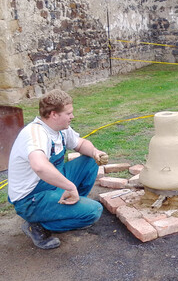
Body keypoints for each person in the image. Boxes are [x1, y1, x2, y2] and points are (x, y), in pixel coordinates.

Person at [8, 89, 109, 249]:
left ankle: (68, 204)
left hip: (51, 183)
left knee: (89, 161)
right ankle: (38, 225)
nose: (72, 116)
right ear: (54, 114)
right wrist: (70, 186)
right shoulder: (35, 134)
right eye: (68, 113)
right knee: (93, 212)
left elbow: (81, 144)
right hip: (31, 198)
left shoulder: (60, 129)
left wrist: (95, 152)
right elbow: (39, 166)